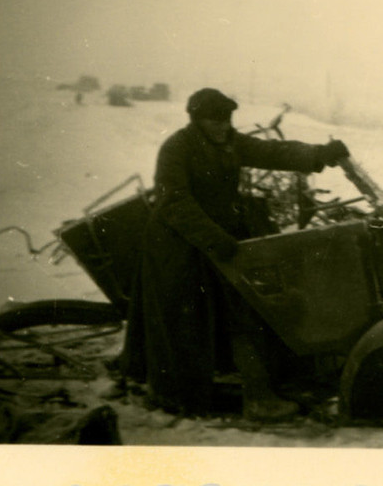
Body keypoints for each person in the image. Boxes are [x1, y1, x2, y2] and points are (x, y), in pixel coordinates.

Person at [119, 88, 351, 421]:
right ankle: (203, 397)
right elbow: (174, 202)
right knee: (192, 322)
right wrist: (215, 239)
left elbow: (271, 151)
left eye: (227, 120)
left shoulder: (230, 143)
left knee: (242, 309)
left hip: (215, 239)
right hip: (177, 246)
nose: (222, 127)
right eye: (214, 121)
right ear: (197, 120)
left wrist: (318, 155)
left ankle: (255, 389)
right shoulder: (177, 148)